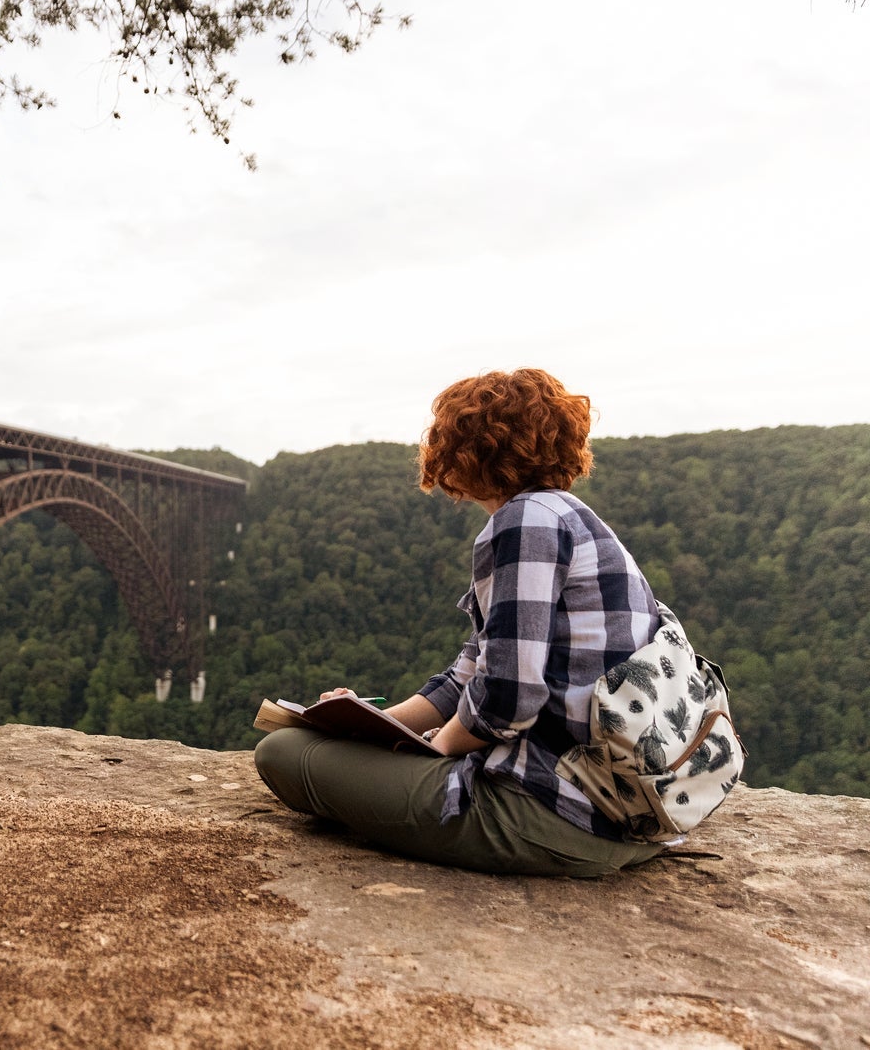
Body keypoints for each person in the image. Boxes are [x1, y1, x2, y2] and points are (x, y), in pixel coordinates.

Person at [254, 368, 666, 876]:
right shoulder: (573, 519)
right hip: (634, 814)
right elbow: (470, 676)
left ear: (468, 451)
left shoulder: (521, 524)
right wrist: (369, 720)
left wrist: (436, 748)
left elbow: (509, 701)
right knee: (329, 743)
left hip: (554, 815)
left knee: (282, 752)